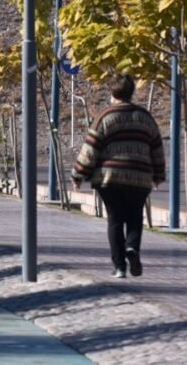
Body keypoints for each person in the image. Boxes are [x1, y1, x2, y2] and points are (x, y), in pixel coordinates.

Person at [71, 73, 165, 279]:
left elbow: (90, 149)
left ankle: (119, 267)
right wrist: (158, 174)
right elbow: (157, 147)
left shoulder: (105, 117)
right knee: (135, 217)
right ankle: (132, 247)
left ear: (112, 92)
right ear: (131, 92)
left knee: (115, 220)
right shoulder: (145, 117)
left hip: (109, 178)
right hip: (139, 177)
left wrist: (78, 174)